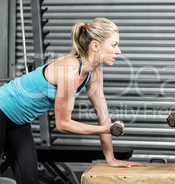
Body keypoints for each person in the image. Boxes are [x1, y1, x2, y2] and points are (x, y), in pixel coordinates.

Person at [0, 17, 142, 184]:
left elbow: (104, 116)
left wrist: (111, 158)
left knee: (29, 178)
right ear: (95, 46)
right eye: (114, 45)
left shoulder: (94, 73)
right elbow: (63, 124)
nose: (119, 52)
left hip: (19, 121)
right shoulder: (69, 71)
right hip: (2, 110)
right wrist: (105, 129)